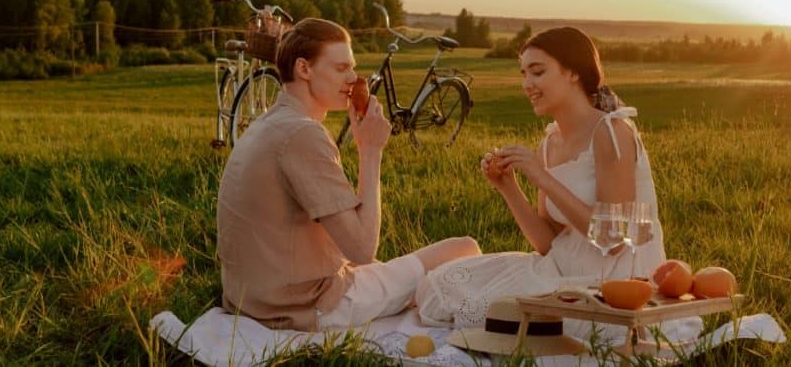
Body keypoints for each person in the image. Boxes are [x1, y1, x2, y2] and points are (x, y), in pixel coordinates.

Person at [217, 18, 481, 332]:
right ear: (304, 69)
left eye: (352, 68)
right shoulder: (303, 134)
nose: (354, 78)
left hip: (253, 300)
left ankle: (414, 295)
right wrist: (370, 151)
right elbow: (362, 250)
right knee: (463, 248)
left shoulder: (271, 123)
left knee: (408, 273)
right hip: (305, 307)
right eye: (341, 68)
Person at [415, 27, 674, 339]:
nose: (528, 84)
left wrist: (542, 177)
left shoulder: (613, 131)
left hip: (615, 284)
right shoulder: (550, 143)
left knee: (493, 311)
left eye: (537, 72)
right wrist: (507, 187)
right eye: (524, 73)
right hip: (561, 267)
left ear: (573, 73)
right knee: (441, 282)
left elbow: (615, 239)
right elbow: (547, 243)